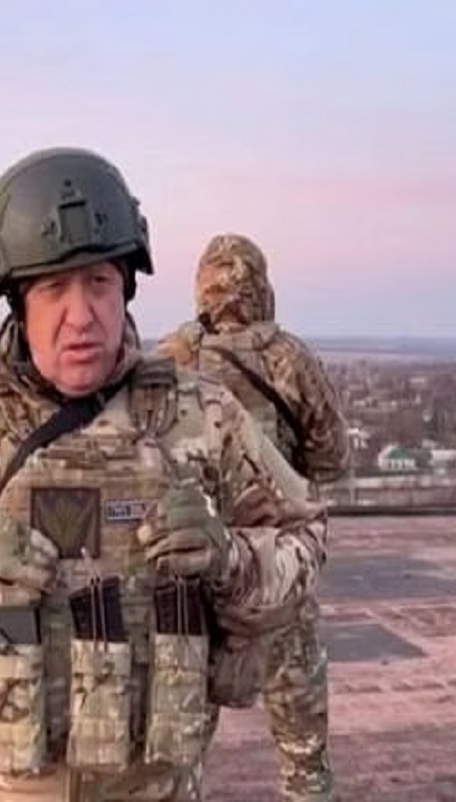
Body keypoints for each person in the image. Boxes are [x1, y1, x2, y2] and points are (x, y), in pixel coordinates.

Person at [0, 147, 329, 802]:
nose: (81, 314)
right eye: (54, 289)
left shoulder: (204, 419)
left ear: (127, 287)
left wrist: (228, 558)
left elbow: (305, 542)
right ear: (15, 301)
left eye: (100, 283)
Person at [156, 233, 350, 801]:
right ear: (262, 288)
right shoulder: (289, 359)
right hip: (275, 572)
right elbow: (333, 459)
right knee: (304, 759)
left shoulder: (167, 360)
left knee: (172, 763)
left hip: (193, 578)